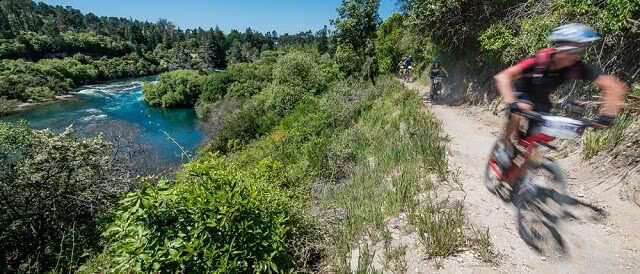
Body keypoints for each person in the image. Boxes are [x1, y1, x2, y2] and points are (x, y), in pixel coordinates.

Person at [493, 23, 628, 179]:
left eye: (581, 50)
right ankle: (505, 145)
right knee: (523, 107)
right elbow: (502, 77)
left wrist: (607, 116)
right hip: (522, 92)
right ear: (561, 48)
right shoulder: (539, 60)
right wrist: (512, 103)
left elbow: (613, 85)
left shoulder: (577, 67)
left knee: (537, 142)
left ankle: (518, 182)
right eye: (574, 50)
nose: (577, 55)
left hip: (542, 101)